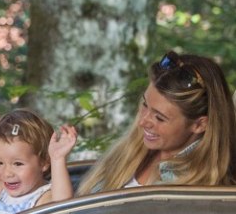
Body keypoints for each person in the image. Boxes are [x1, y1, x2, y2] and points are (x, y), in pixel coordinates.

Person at [78, 50, 236, 195]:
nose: (143, 121)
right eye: (145, 105)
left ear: (200, 125)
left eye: (159, 118)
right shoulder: (130, 152)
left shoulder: (201, 192)